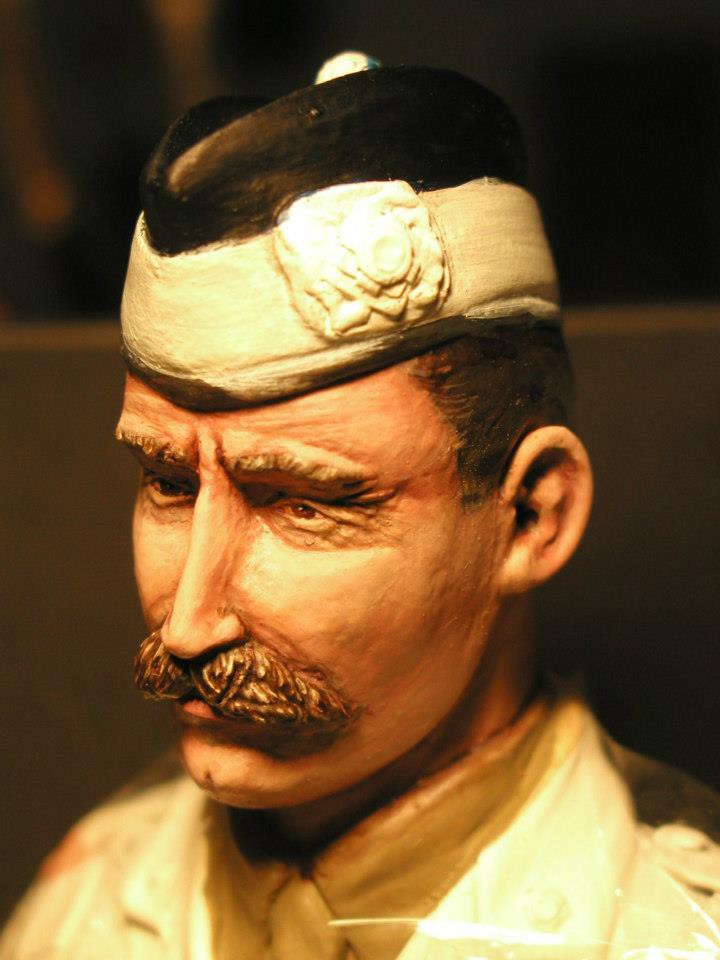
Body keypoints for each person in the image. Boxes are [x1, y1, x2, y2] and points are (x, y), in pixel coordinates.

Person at [2, 52, 719, 960]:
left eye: (305, 506)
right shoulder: (78, 914)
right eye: (170, 484)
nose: (188, 625)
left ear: (530, 517)